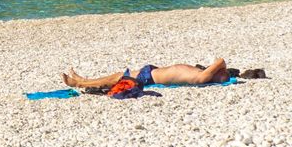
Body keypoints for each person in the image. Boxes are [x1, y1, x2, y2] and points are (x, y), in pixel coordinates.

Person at [61, 58, 255, 91]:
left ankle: (80, 83)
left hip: (150, 77)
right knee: (115, 76)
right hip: (152, 71)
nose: (223, 75)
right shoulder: (203, 74)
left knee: (114, 78)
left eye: (224, 77)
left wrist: (223, 71)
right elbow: (220, 65)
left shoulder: (203, 78)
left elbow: (220, 61)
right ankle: (82, 81)